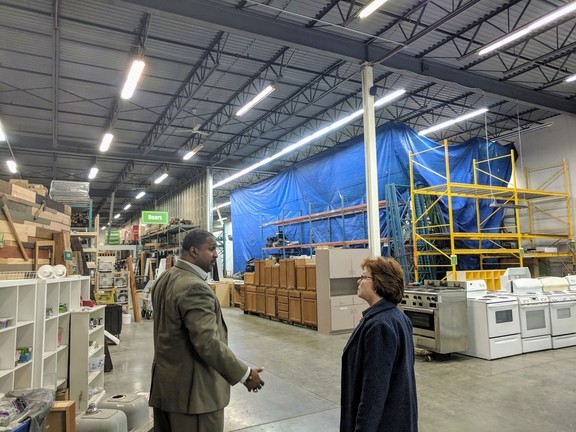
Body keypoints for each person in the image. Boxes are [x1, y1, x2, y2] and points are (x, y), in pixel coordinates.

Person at [149, 229, 265, 432]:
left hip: (165, 388)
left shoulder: (165, 278)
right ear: (193, 251)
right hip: (194, 397)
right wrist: (245, 375)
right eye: (211, 249)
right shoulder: (194, 287)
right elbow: (208, 343)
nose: (216, 255)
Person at [340, 256, 418, 432]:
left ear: (378, 283)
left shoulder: (380, 325)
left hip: (384, 423)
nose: (359, 281)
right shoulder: (396, 317)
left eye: (364, 276)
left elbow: (374, 391)